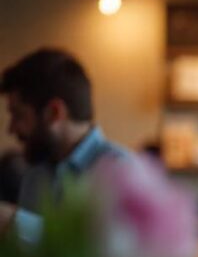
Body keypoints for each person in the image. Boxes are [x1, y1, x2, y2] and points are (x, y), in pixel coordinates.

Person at [0, 49, 126, 240]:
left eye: (18, 115)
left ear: (54, 113)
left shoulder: (122, 172)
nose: (11, 129)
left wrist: (15, 224)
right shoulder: (36, 173)